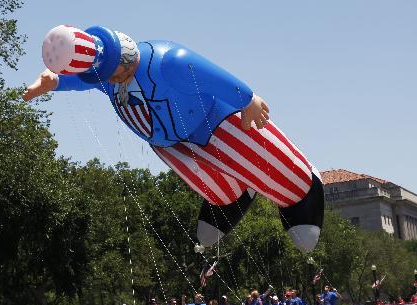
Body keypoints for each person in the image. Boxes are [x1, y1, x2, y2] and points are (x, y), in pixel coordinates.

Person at [23, 24, 324, 255]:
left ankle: (301, 191)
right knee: (200, 175)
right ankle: (230, 199)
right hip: (171, 142)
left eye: (108, 72)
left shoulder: (167, 61)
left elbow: (210, 75)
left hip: (213, 121)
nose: (107, 79)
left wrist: (246, 99)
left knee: (256, 152)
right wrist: (55, 81)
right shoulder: (107, 78)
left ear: (122, 57)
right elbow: (78, 81)